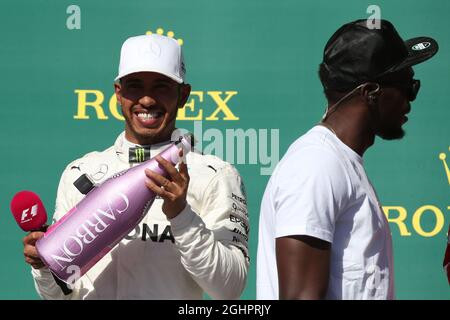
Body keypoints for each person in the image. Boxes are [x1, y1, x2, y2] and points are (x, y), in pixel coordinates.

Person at [23, 34, 249, 299]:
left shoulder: (215, 175)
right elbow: (61, 295)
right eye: (135, 86)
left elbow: (230, 289)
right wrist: (45, 267)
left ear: (183, 95)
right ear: (118, 93)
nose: (147, 100)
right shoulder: (80, 172)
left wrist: (181, 215)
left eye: (161, 87)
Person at [257, 19, 438, 300]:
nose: (410, 100)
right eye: (407, 86)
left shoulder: (339, 162)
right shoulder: (317, 165)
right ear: (370, 93)